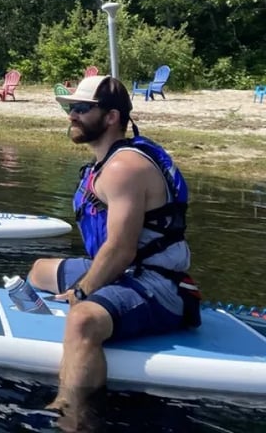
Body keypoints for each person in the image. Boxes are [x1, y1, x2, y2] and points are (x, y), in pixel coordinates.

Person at [28, 75, 200, 430]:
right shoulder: (105, 162)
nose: (72, 116)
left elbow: (120, 250)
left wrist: (81, 293)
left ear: (111, 117)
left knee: (83, 319)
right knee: (39, 270)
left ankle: (73, 416)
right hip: (125, 272)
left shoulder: (124, 168)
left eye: (82, 109)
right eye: (71, 108)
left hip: (158, 284)